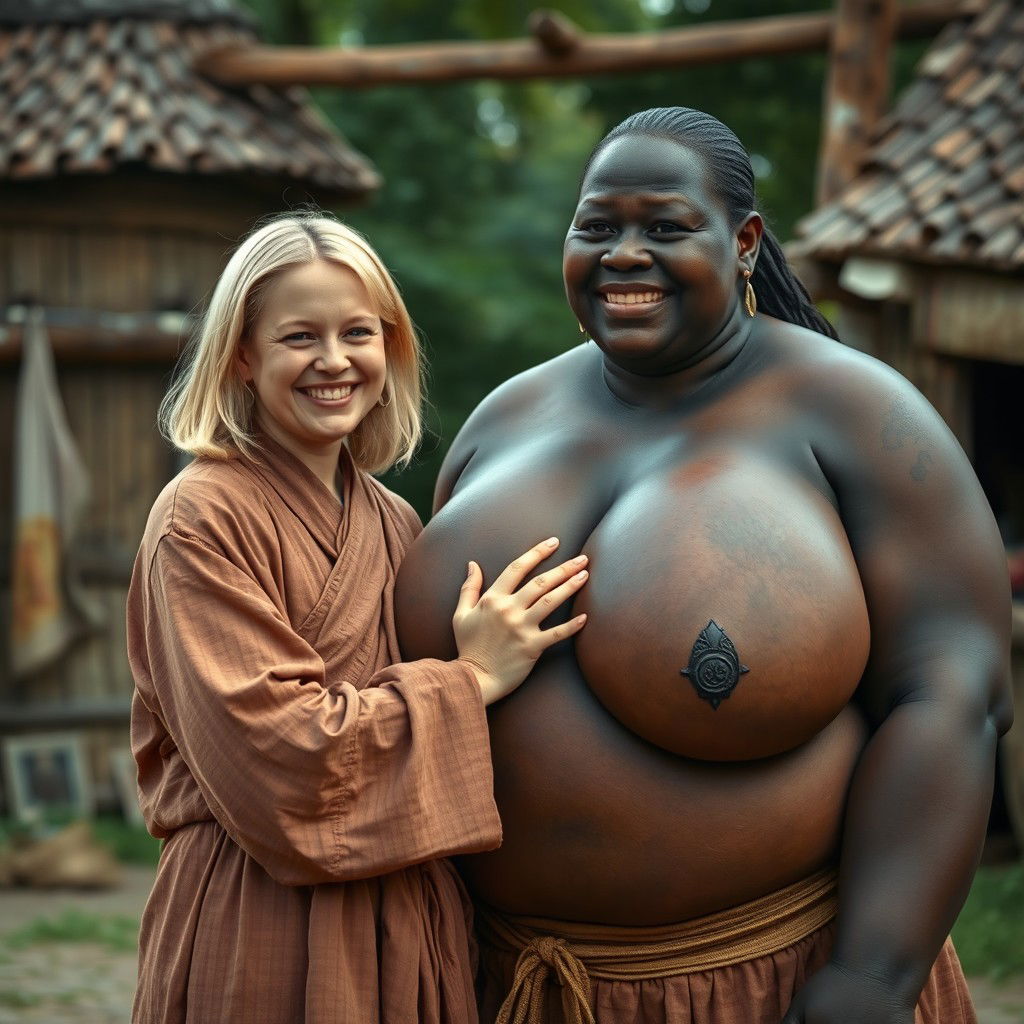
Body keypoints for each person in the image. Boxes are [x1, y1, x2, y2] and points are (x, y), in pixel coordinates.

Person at [393, 108, 1014, 1024]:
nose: (624, 253)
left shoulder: (859, 415)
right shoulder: (502, 422)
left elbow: (953, 693)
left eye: (666, 226)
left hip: (769, 981)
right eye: (596, 227)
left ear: (745, 242)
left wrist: (874, 976)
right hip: (511, 985)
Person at [126, 212, 590, 1024]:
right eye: (299, 337)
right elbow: (283, 760)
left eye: (358, 333)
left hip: (408, 912)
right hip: (257, 913)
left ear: (391, 346)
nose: (334, 361)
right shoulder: (198, 518)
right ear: (241, 354)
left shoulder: (395, 521)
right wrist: (473, 677)